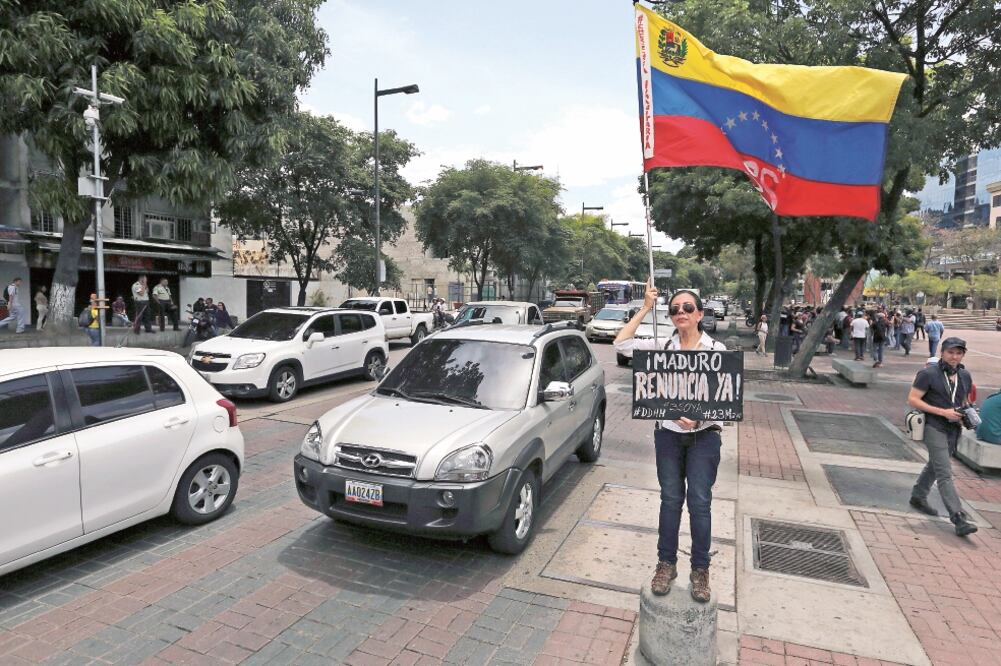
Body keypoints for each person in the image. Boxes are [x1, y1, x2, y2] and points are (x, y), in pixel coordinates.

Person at [614, 283, 726, 603]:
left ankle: (700, 569)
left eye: (688, 308)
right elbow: (621, 344)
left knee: (700, 503)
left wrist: (700, 418)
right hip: (668, 438)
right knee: (670, 500)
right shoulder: (662, 346)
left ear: (700, 314)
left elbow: (726, 400)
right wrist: (646, 309)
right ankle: (666, 564)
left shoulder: (716, 351)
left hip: (704, 439)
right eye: (675, 309)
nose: (681, 313)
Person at [908, 337, 978, 537]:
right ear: (942, 352)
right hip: (933, 426)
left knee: (936, 464)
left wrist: (968, 413)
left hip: (953, 428)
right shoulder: (928, 373)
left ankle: (918, 496)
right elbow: (912, 399)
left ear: (963, 354)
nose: (954, 356)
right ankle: (958, 517)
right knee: (945, 472)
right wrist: (942, 412)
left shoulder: (964, 375)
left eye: (958, 353)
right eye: (951, 352)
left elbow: (964, 399)